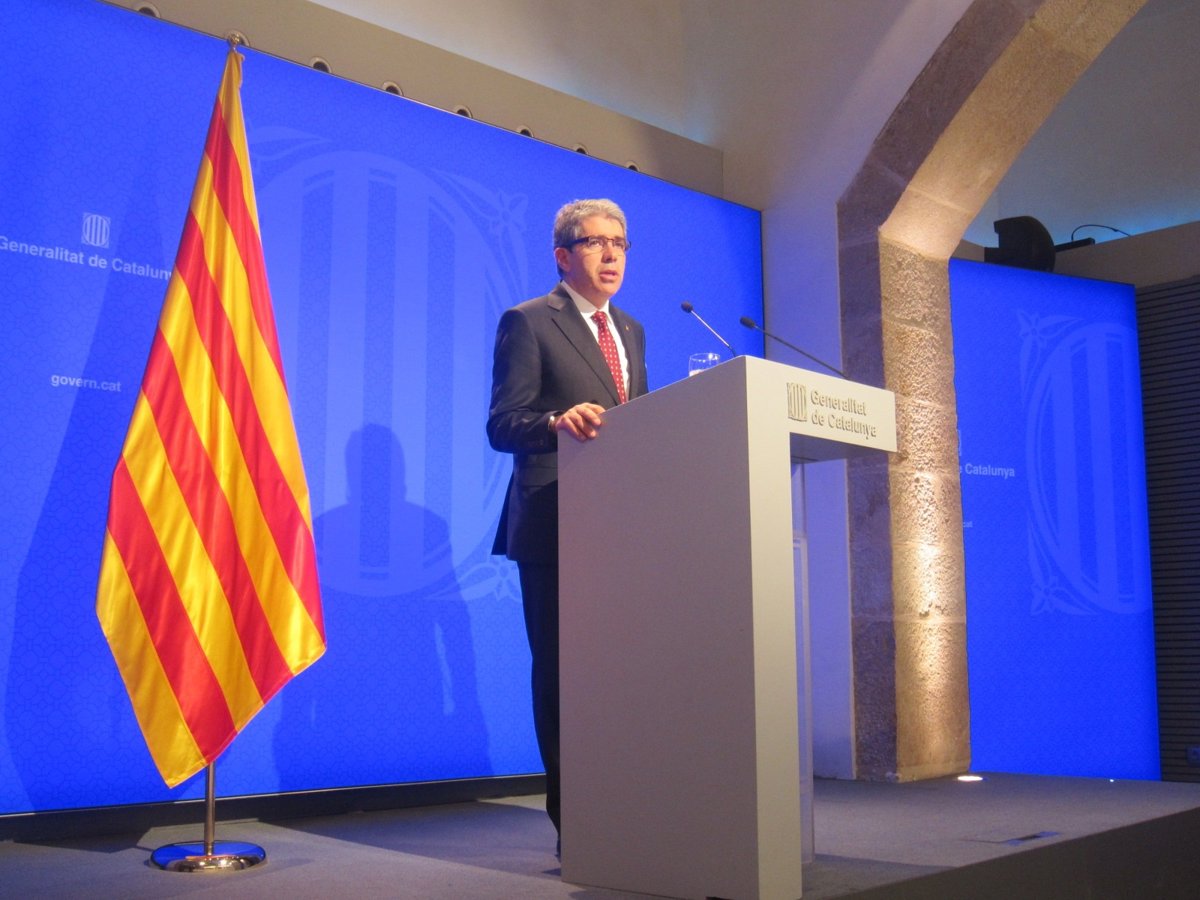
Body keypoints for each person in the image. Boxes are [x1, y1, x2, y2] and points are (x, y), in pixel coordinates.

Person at [487, 198, 647, 850]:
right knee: (562, 674)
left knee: (618, 677)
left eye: (620, 243)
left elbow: (641, 425)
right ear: (563, 255)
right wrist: (556, 422)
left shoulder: (631, 330)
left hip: (620, 526)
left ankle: (624, 810)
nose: (611, 255)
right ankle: (575, 826)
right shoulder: (528, 322)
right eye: (595, 242)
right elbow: (502, 424)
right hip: (555, 522)